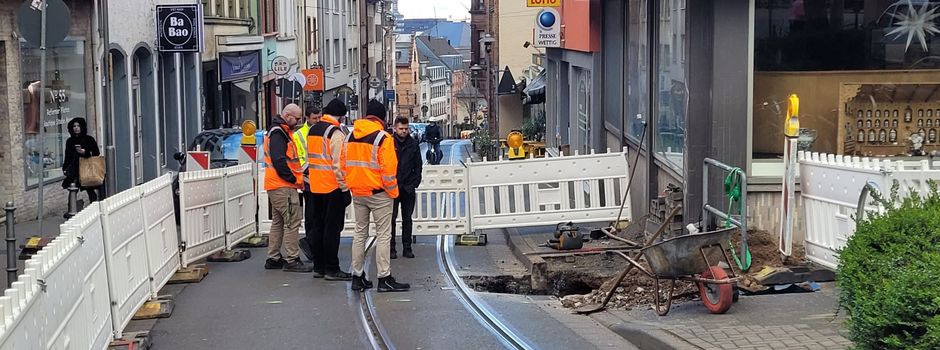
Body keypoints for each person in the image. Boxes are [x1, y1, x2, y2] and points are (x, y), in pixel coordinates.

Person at [343, 100, 410, 292]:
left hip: (358, 192)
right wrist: (393, 192)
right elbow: (389, 170)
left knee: (359, 233)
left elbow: (342, 164)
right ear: (381, 118)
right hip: (379, 193)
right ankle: (384, 277)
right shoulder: (383, 138)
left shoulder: (349, 136)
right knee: (383, 235)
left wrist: (352, 184)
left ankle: (357, 276)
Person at [304, 99, 353, 281]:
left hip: (315, 186)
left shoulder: (313, 130)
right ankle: (332, 268)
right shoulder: (335, 133)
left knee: (318, 227)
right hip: (332, 187)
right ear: (340, 116)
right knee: (332, 230)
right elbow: (338, 165)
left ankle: (319, 266)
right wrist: (344, 188)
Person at [264, 104, 315, 273]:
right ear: (287, 115)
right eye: (297, 118)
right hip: (283, 185)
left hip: (276, 184)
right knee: (293, 221)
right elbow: (280, 160)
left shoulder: (278, 131)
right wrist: (293, 178)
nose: (299, 121)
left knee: (278, 222)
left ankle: (273, 258)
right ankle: (292, 259)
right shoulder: (280, 133)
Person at [390, 117, 422, 259]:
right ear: (395, 128)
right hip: (393, 186)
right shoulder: (389, 143)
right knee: (390, 219)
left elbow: (418, 166)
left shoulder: (413, 144)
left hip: (408, 187)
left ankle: (407, 248)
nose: (403, 131)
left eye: (405, 129)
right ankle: (391, 248)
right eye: (401, 128)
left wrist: (414, 183)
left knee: (407, 218)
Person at [61, 117, 100, 203]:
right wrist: (65, 168)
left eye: (78, 126)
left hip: (87, 169)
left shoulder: (89, 139)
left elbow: (96, 153)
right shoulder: (70, 141)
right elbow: (67, 156)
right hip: (75, 170)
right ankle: (71, 211)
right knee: (73, 190)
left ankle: (94, 207)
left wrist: (85, 152)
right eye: (74, 126)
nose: (76, 128)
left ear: (82, 127)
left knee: (90, 190)